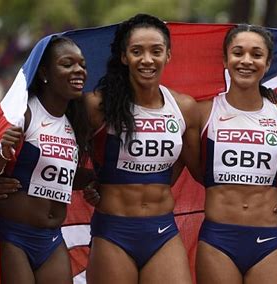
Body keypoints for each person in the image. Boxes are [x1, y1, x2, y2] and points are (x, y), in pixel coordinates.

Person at [196, 24, 277, 284]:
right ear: (225, 59)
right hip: (218, 238)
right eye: (238, 53)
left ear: (267, 63)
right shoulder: (201, 113)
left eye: (256, 54)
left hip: (267, 239)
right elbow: (174, 168)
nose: (246, 61)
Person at [83, 14, 201, 283]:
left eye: (156, 51)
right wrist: (89, 181)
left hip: (162, 230)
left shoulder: (184, 107)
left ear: (168, 55)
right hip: (113, 231)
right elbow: (61, 152)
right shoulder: (97, 107)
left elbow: (201, 170)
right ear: (124, 57)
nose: (147, 60)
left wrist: (266, 192)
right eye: (137, 51)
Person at [0, 36, 90, 283]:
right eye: (68, 64)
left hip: (52, 238)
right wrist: (1, 156)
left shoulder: (75, 120)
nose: (79, 70)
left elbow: (61, 176)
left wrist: (94, 182)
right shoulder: (22, 113)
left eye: (82, 65)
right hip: (14, 237)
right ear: (44, 72)